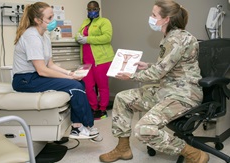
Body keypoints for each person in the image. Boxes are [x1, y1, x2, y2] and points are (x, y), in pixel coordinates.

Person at [99, 0, 209, 163]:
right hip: (166, 89)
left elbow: (158, 73)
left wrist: (131, 76)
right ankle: (123, 149)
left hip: (183, 95)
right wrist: (148, 65)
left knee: (144, 129)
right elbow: (170, 66)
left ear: (166, 19)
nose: (150, 17)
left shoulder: (178, 39)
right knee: (122, 98)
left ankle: (193, 154)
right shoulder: (170, 37)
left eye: (153, 15)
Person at [12, 2, 101, 141]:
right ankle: (83, 126)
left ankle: (77, 126)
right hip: (24, 80)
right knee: (74, 86)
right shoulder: (32, 37)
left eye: (53, 16)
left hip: (35, 76)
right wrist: (70, 79)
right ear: (37, 20)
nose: (53, 21)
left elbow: (50, 65)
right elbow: (42, 70)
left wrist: (69, 74)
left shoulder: (45, 36)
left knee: (80, 83)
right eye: (49, 18)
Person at [76, 1, 115, 120]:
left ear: (98, 9)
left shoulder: (104, 21)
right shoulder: (85, 22)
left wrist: (88, 39)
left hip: (101, 60)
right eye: (89, 9)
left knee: (102, 86)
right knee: (87, 86)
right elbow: (78, 34)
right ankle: (93, 108)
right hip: (87, 60)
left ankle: (102, 109)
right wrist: (78, 37)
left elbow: (107, 37)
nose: (91, 11)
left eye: (94, 9)